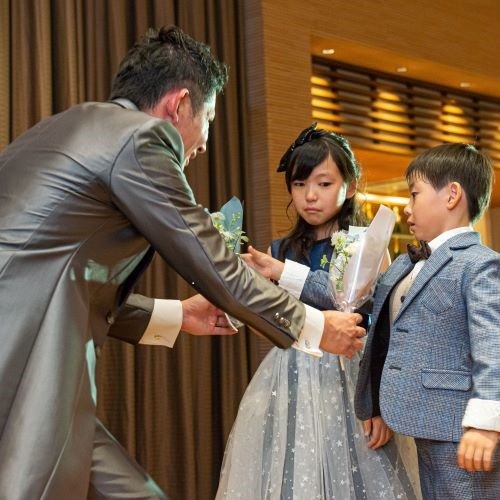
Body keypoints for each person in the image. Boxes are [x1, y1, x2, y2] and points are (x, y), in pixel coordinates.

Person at [0, 27, 365, 499]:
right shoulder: (142, 139)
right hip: (24, 355)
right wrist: (315, 327)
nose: (206, 142)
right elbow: (216, 266)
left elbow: (62, 281)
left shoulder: (65, 127)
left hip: (31, 349)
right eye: (208, 117)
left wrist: (179, 315)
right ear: (180, 104)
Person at [216, 124, 419, 499]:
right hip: (289, 378)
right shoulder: (279, 249)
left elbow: (380, 328)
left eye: (324, 184)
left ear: (350, 186)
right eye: (299, 184)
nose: (310, 196)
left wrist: (378, 405)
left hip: (352, 378)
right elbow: (269, 320)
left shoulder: (366, 244)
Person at [355, 143, 500, 499]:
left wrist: (485, 425)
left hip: (460, 430)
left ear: (452, 195)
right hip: (418, 424)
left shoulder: (479, 263)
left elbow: (493, 344)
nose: (407, 207)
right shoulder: (406, 264)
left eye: (414, 194)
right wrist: (284, 273)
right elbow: (365, 307)